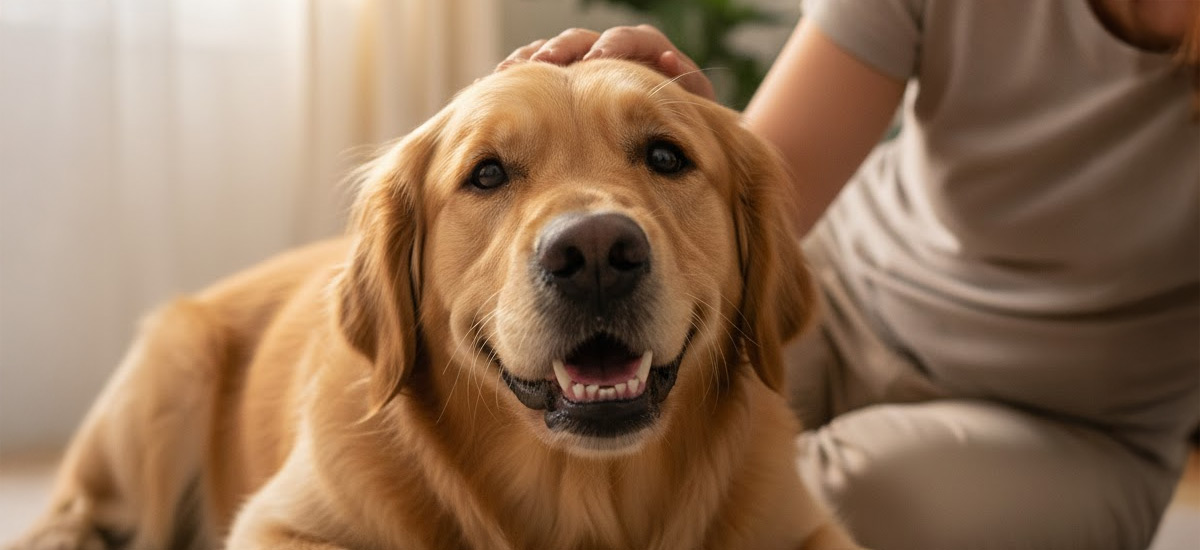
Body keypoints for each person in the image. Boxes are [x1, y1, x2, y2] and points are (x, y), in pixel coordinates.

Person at [499, 1, 1200, 549]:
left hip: (1075, 426)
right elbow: (774, 197)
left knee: (803, 505)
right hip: (841, 302)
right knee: (585, 432)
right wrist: (689, 141)